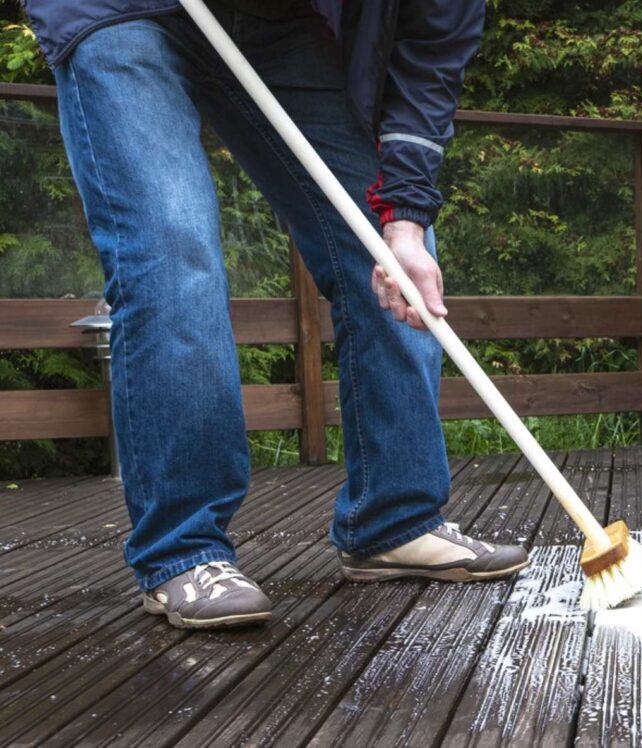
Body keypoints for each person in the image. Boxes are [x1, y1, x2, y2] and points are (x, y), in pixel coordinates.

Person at [21, 0, 529, 630]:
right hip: (120, 11)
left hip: (280, 23)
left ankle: (394, 519)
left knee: (387, 248)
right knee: (174, 252)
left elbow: (427, 67)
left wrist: (405, 218)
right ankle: (186, 550)